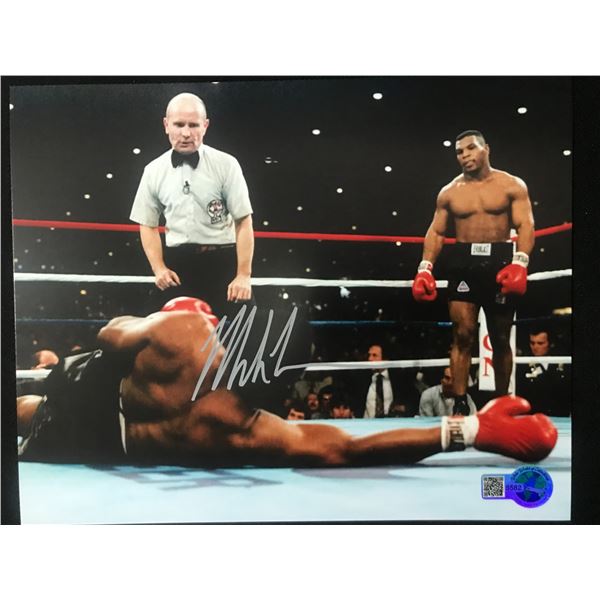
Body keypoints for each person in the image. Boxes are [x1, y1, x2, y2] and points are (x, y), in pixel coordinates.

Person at [18, 297, 557, 467]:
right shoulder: (248, 429)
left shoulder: (184, 331)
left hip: (88, 394)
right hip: (95, 439)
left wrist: (159, 317)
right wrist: (471, 431)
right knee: (28, 410)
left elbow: (110, 334)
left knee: (25, 407)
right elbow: (351, 449)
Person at [412, 130, 535, 416]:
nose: (465, 155)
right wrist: (425, 268)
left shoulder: (511, 185)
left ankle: (502, 405)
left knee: (501, 337)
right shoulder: (450, 192)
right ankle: (459, 405)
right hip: (463, 263)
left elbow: (526, 225)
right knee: (462, 334)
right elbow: (437, 232)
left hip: (500, 262)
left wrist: (520, 262)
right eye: (459, 151)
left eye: (471, 148)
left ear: (486, 149)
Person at [130, 92, 255, 317]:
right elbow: (147, 224)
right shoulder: (153, 170)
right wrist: (159, 268)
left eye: (194, 125)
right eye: (179, 124)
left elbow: (244, 220)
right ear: (166, 125)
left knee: (250, 331)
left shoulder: (227, 164)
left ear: (205, 126)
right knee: (148, 332)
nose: (186, 133)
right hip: (177, 265)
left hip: (222, 262)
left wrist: (243, 275)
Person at [517, 329, 571, 416]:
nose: (535, 347)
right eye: (532, 343)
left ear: (550, 344)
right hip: (534, 416)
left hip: (560, 416)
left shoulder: (563, 362)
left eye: (540, 343)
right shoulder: (522, 365)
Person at [357, 344, 417, 418]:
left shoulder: (398, 378)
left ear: (385, 360)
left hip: (391, 422)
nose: (370, 359)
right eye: (369, 355)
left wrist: (402, 408)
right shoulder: (361, 378)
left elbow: (413, 400)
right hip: (366, 423)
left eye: (374, 355)